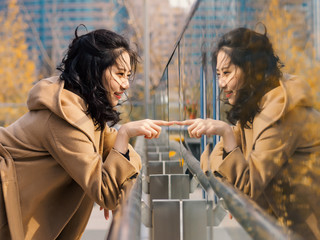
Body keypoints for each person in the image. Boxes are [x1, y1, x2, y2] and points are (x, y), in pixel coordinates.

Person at [0, 26, 171, 239]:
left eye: (128, 75)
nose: (126, 84)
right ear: (94, 70)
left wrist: (118, 152)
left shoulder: (85, 111)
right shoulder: (66, 118)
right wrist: (125, 133)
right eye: (119, 74)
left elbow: (120, 161)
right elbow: (106, 192)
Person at [176, 26, 320, 239]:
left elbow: (247, 186)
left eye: (227, 72)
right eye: (218, 74)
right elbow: (218, 170)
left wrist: (225, 132)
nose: (222, 83)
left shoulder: (279, 113)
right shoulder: (257, 109)